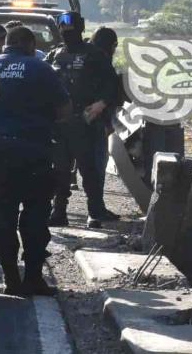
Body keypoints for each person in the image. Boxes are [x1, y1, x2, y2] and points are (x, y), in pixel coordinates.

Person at [0, 26, 71, 295]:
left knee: (2, 217)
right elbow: (65, 109)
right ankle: (33, 277)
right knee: (35, 217)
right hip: (34, 155)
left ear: (6, 43)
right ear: (30, 45)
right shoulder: (40, 68)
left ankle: (10, 278)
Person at [46, 12, 119, 229]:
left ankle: (95, 212)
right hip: (60, 123)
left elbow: (113, 86)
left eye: (71, 29)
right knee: (60, 170)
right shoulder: (55, 55)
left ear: (81, 29)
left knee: (89, 171)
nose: (66, 32)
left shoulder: (96, 55)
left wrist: (101, 105)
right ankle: (58, 211)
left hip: (86, 121)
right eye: (63, 29)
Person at [89, 27, 122, 187]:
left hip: (73, 118)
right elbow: (111, 91)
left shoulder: (81, 55)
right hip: (96, 119)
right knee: (97, 163)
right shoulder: (102, 60)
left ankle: (59, 208)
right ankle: (96, 208)